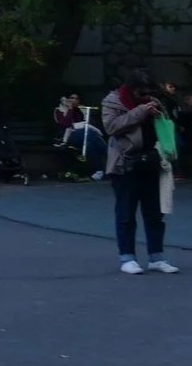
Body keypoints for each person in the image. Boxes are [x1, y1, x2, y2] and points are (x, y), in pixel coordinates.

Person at [102, 69, 177, 274]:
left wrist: (159, 113)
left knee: (155, 213)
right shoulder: (113, 101)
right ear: (131, 89)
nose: (146, 96)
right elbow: (111, 127)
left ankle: (156, 257)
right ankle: (127, 257)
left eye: (149, 93)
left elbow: (166, 124)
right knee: (126, 213)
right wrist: (140, 112)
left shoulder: (152, 101)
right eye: (141, 93)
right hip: (125, 164)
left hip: (152, 161)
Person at [54, 92, 107, 178]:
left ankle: (99, 170)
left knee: (89, 144)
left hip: (84, 137)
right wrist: (70, 109)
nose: (74, 100)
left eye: (76, 98)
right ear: (67, 99)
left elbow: (90, 125)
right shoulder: (59, 110)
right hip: (67, 136)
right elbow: (66, 124)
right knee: (87, 132)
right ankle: (108, 154)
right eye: (71, 98)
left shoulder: (82, 110)